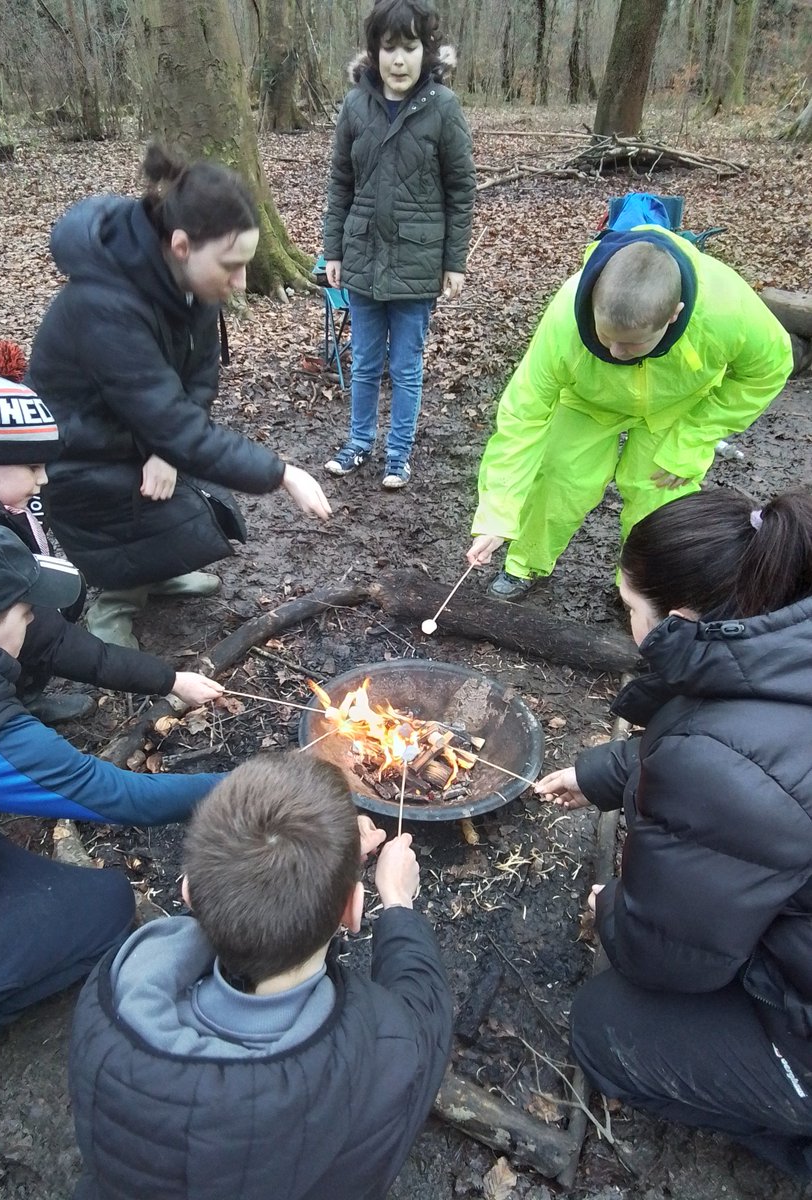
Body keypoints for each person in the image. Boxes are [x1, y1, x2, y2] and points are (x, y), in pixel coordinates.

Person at [535, 487, 812, 1177]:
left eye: (631, 609)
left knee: (607, 1028)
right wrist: (602, 773)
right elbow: (756, 750)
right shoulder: (786, 645)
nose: (630, 622)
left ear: (679, 620)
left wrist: (613, 915)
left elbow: (673, 958)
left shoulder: (715, 765)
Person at [0, 518, 230, 1061]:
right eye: (26, 611)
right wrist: (250, 783)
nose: (37, 618)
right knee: (106, 906)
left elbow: (70, 648)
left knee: (2, 861)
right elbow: (121, 797)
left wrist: (167, 680)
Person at [68, 752, 453, 1200]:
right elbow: (425, 1019)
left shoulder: (111, 995)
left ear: (189, 890)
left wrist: (317, 876)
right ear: (353, 910)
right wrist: (399, 904)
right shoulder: (372, 1059)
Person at [27, 144, 331, 649]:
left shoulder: (190, 285)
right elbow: (172, 420)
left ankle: (156, 575)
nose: (239, 283)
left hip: (135, 428)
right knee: (130, 503)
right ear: (183, 244)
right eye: (231, 266)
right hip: (77, 450)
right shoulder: (105, 304)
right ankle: (115, 606)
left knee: (178, 492)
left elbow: (199, 380)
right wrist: (281, 472)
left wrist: (165, 450)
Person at [467, 224, 793, 600]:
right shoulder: (564, 320)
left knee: (659, 495)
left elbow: (769, 370)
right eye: (606, 338)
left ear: (674, 315)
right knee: (559, 477)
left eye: (632, 343)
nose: (616, 353)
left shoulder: (726, 309)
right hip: (588, 402)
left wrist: (694, 437)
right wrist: (497, 513)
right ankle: (526, 563)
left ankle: (641, 587)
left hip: (677, 407)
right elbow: (523, 416)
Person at [0, 365, 227, 720]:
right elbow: (51, 640)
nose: (43, 479)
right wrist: (170, 681)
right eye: (33, 468)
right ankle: (9, 706)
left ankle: (23, 691)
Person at [322, 0, 475, 490]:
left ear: (425, 50)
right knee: (365, 362)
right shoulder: (354, 105)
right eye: (389, 48)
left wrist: (455, 263)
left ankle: (398, 454)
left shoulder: (443, 108)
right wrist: (334, 251)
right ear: (375, 52)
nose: (399, 60)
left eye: (409, 47)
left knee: (406, 366)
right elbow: (340, 183)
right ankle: (359, 443)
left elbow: (461, 189)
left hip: (417, 260)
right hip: (363, 257)